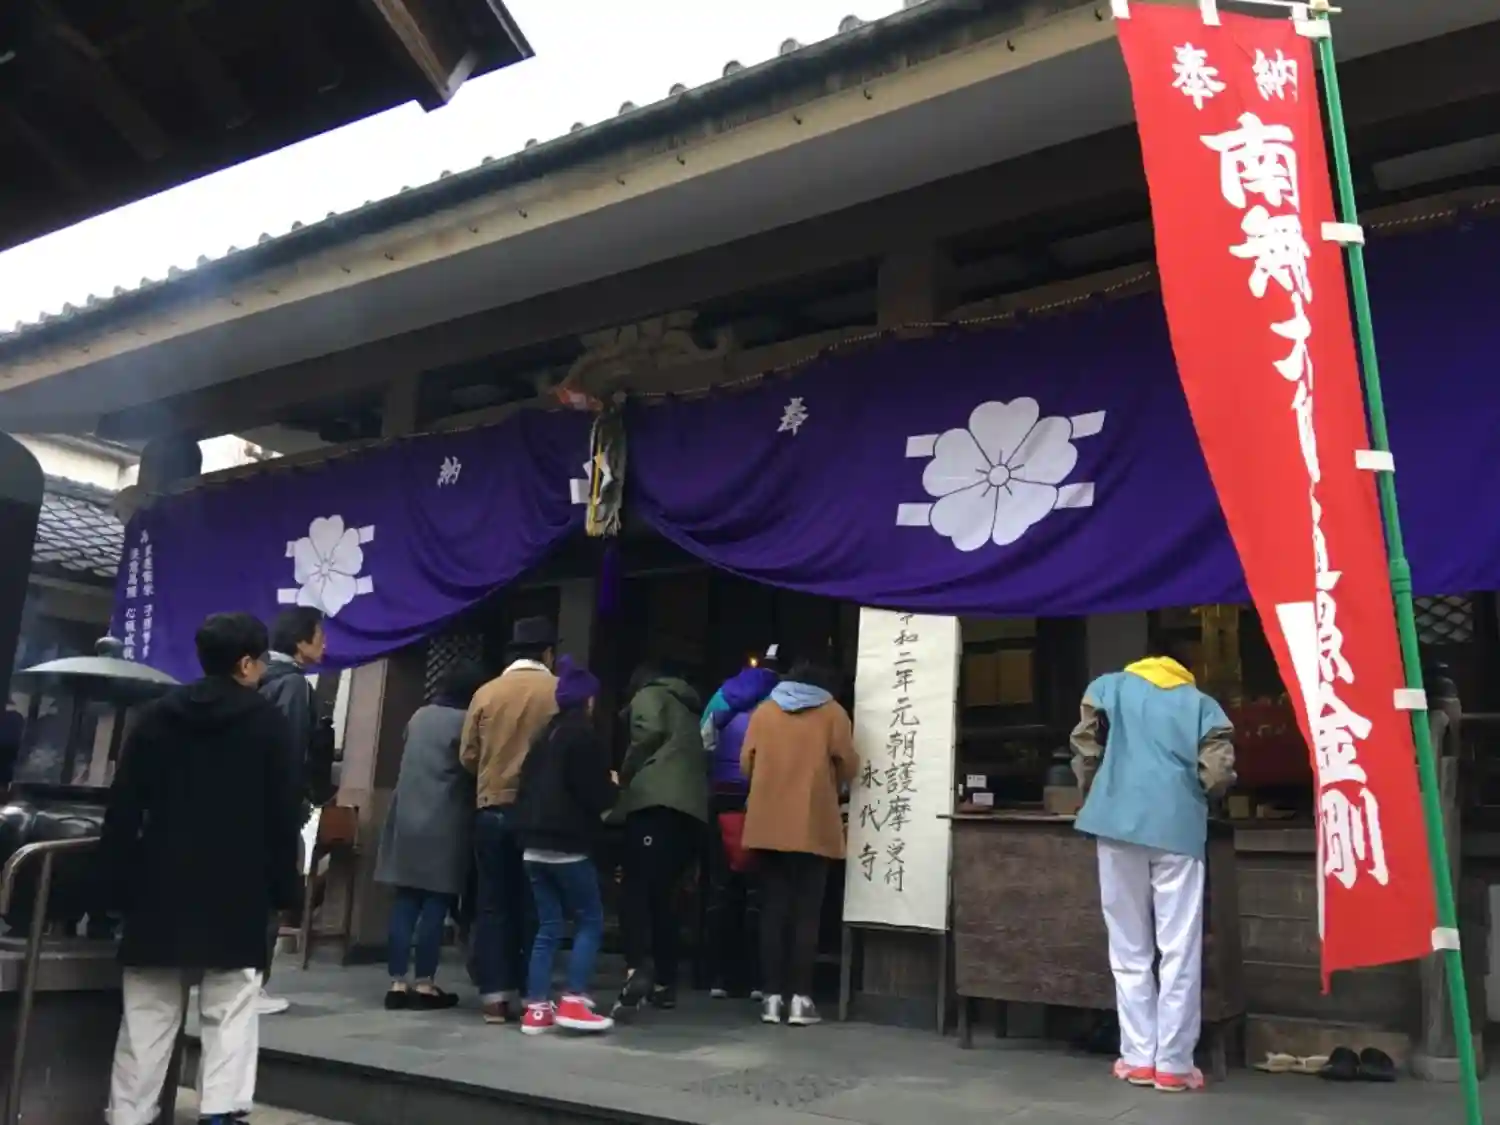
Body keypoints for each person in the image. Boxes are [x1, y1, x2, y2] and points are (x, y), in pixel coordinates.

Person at [100, 613, 301, 1125]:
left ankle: (128, 1115)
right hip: (238, 888)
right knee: (230, 1009)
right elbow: (282, 816)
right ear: (246, 663)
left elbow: (124, 808)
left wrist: (114, 884)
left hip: (158, 884)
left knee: (146, 1016)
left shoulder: (156, 716)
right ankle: (220, 1113)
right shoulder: (268, 725)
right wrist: (286, 890)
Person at [1071, 644, 1234, 1094]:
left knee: (1128, 948)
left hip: (1114, 823)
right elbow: (1217, 773)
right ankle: (1174, 1065)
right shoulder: (1201, 704)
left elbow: (1086, 748)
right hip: (1178, 827)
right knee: (1179, 948)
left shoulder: (1107, 688)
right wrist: (1197, 795)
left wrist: (1097, 790)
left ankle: (1138, 1058)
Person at [739, 660, 858, 1027]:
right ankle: (800, 1000)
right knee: (807, 913)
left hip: (769, 823)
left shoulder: (764, 711)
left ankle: (771, 998)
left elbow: (746, 763)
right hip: (812, 823)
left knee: (773, 910)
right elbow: (849, 765)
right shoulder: (833, 713)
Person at [461, 616, 559, 1024]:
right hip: (538, 811)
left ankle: (493, 997)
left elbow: (468, 754)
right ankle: (532, 994)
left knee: (492, 903)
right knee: (536, 904)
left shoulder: (486, 692)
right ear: (548, 653)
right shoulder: (557, 692)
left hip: (491, 807)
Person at [513, 657, 618, 1035]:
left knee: (548, 926)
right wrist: (613, 786)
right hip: (567, 844)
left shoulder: (544, 737)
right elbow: (595, 795)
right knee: (590, 919)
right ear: (588, 700)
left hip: (532, 846)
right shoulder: (584, 738)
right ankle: (573, 999)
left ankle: (536, 1008)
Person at [374, 660, 487, 1011]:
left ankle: (397, 982)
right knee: (435, 905)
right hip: (445, 820)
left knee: (405, 902)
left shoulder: (419, 717)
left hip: (407, 819)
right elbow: (472, 766)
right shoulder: (466, 722)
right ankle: (425, 983)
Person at [610, 661, 708, 1017]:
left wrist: (626, 773)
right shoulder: (687, 706)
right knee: (666, 897)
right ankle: (666, 981)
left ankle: (638, 967)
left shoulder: (650, 695)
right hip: (691, 810)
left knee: (635, 890)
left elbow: (648, 732)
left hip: (655, 805)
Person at [254, 606, 333, 1015]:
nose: (325, 644)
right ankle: (252, 984)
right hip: (274, 808)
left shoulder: (258, 678)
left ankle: (232, 979)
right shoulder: (293, 686)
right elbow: (290, 751)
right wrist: (297, 803)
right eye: (319, 635)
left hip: (244, 803)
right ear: (301, 643)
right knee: (268, 893)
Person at [701, 653, 780, 1000]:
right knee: (758, 892)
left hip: (721, 797)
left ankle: (718, 977)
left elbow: (704, 741)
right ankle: (756, 979)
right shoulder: (778, 702)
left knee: (721, 889)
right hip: (758, 798)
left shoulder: (721, 696)